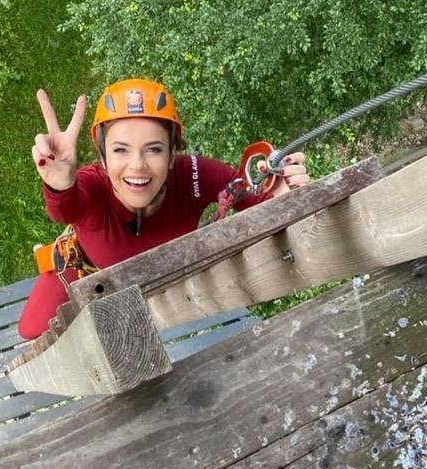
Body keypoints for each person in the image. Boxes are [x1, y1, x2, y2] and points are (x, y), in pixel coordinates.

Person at [18, 78, 309, 340]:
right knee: (32, 330)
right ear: (103, 159)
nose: (137, 166)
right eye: (120, 149)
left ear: (172, 155)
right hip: (84, 271)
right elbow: (64, 210)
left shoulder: (193, 175)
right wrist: (59, 185)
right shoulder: (93, 187)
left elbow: (253, 198)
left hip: (160, 288)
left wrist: (284, 194)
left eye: (154, 149)